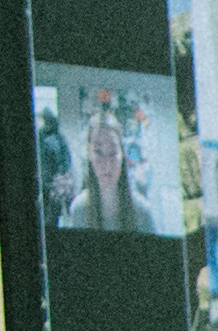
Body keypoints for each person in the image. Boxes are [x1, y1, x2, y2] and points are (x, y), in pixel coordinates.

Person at [56, 98, 160, 232]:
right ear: (89, 154)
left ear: (122, 155)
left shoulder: (142, 211)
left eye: (112, 152)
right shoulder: (78, 210)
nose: (106, 163)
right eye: (98, 152)